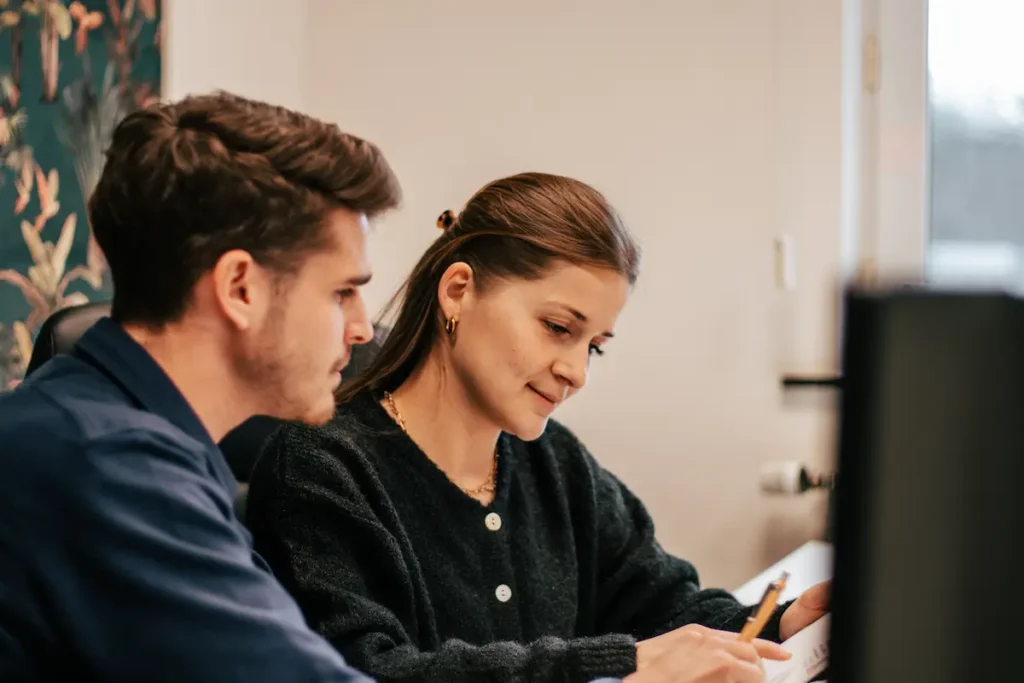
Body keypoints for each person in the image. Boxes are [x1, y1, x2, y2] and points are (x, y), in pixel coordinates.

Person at [245, 172, 828, 683]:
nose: (574, 372)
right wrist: (620, 665)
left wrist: (781, 622)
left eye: (594, 348)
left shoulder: (556, 462)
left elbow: (661, 602)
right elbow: (369, 670)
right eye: (557, 327)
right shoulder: (321, 467)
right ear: (458, 291)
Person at [0, 91, 404, 681]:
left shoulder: (111, 423)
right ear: (241, 287)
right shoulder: (110, 466)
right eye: (342, 292)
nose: (363, 327)